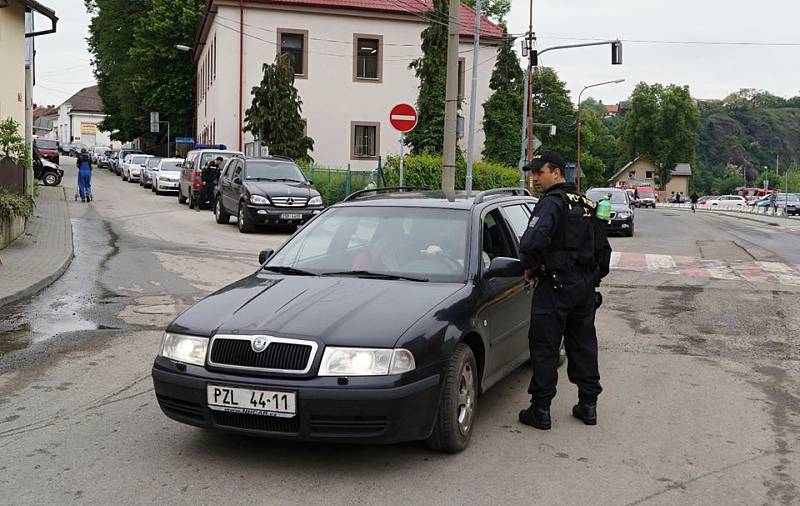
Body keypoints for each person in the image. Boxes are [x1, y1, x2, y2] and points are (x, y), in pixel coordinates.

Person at [517, 150, 611, 431]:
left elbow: (532, 244)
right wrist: (589, 279)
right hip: (583, 289)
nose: (534, 177)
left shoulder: (551, 204)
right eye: (532, 173)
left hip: (555, 286)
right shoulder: (586, 204)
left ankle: (541, 410)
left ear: (556, 172)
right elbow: (603, 251)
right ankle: (588, 405)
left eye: (539, 172)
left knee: (545, 347)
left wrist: (530, 267)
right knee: (583, 345)